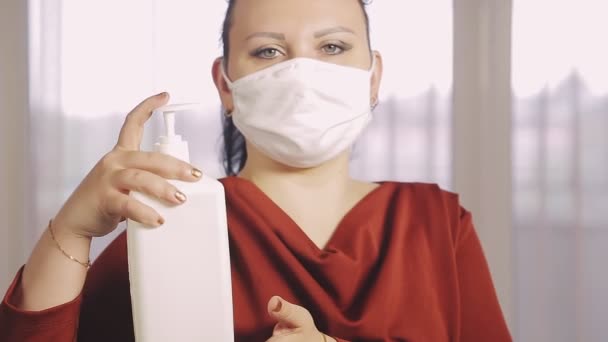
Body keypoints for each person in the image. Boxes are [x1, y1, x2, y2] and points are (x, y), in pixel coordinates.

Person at [0, 0, 512, 341]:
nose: (302, 72)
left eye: (332, 47)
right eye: (268, 51)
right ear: (225, 84)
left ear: (373, 77)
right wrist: (71, 229)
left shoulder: (437, 223)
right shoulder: (170, 219)